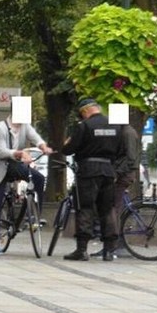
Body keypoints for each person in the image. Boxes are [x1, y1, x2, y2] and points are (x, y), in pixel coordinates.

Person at [0, 112, 53, 255]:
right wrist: (20, 154)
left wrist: (43, 146)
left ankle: (34, 216)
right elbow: (2, 152)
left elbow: (35, 138)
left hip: (14, 165)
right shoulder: (0, 128)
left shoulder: (24, 126)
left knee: (38, 178)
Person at [61, 99, 123, 261]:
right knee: (107, 209)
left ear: (85, 111)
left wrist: (66, 143)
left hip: (88, 171)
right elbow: (121, 150)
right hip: (108, 171)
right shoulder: (115, 125)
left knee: (85, 207)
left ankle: (82, 250)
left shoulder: (85, 126)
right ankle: (109, 250)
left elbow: (68, 149)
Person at [91, 123, 139, 259]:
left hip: (123, 176)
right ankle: (111, 244)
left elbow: (130, 158)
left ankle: (112, 245)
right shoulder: (122, 131)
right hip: (122, 173)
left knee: (112, 209)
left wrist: (116, 173)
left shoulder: (127, 133)